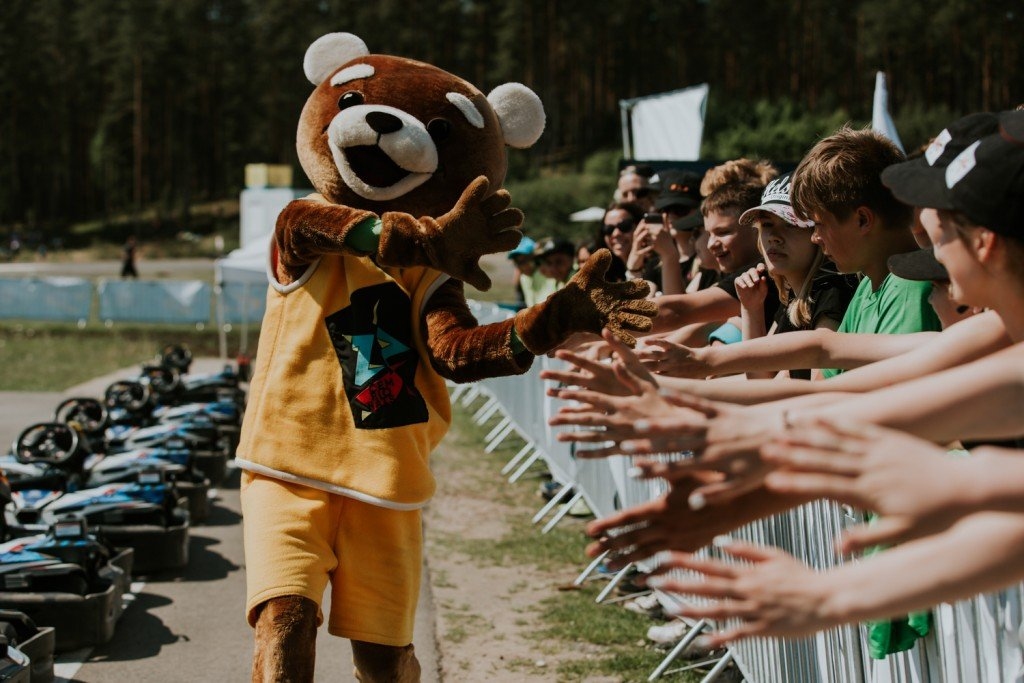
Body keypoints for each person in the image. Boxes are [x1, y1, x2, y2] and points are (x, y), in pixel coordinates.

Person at [731, 173, 857, 377]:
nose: (774, 237)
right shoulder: (796, 296)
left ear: (816, 233)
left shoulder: (832, 288)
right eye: (767, 224)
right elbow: (761, 380)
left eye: (790, 224)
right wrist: (751, 308)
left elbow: (818, 388)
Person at [600, 201, 645, 282]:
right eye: (609, 229)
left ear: (639, 226)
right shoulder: (606, 276)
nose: (616, 234)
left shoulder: (656, 267)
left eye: (624, 226)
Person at [531, 237, 576, 301]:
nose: (553, 268)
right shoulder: (559, 282)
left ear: (572, 259)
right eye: (549, 263)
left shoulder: (576, 284)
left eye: (559, 262)